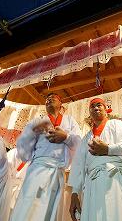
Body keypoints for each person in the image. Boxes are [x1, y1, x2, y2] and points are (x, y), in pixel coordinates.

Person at [10, 93, 81, 221]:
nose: (49, 99)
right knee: (29, 205)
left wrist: (66, 137)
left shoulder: (70, 120)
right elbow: (23, 151)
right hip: (38, 169)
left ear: (61, 105)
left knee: (49, 211)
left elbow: (79, 144)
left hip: (58, 171)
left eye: (54, 97)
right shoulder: (38, 121)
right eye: (47, 98)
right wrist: (31, 132)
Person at [69, 98, 122, 221]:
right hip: (92, 183)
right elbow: (79, 166)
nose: (95, 108)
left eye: (99, 105)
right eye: (92, 106)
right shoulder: (85, 139)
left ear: (106, 110)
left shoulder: (117, 124)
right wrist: (74, 193)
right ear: (90, 113)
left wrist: (108, 150)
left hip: (115, 178)